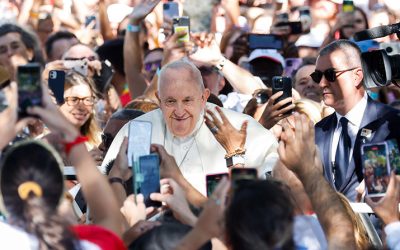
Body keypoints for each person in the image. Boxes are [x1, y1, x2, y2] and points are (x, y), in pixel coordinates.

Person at [102, 59, 278, 204]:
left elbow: (267, 200)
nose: (179, 112)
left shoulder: (241, 127)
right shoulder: (137, 130)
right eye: (170, 101)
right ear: (159, 99)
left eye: (187, 100)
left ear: (204, 97)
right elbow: (106, 193)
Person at [313, 39, 400, 201]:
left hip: (378, 224)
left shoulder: (392, 123)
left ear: (357, 76)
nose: (322, 83)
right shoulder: (318, 131)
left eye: (331, 74)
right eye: (317, 76)